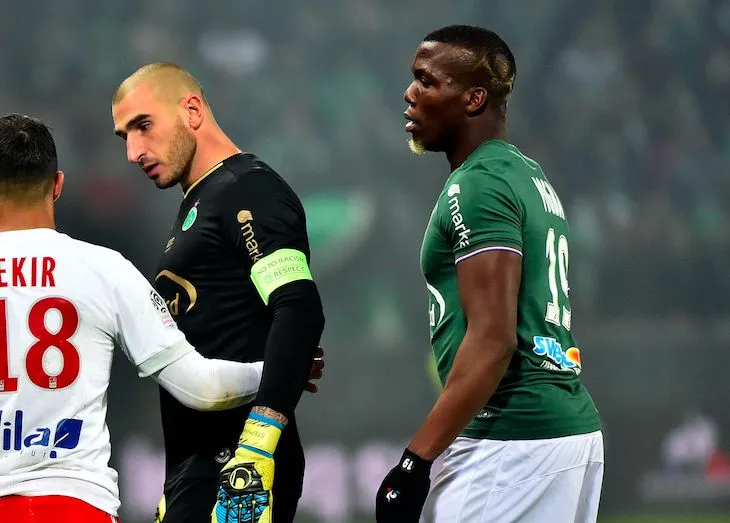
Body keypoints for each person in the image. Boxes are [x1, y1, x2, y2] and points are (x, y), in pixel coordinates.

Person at [0, 114, 323, 523]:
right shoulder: (104, 269)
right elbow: (202, 387)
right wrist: (278, 369)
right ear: (57, 185)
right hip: (75, 503)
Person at [375, 25, 604, 523]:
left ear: (474, 98)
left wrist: (415, 461)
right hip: (560, 431)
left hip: (512, 438)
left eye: (426, 81)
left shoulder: (478, 184)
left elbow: (494, 337)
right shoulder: (527, 174)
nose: (409, 94)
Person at [111, 63, 325, 523]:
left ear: (192, 111)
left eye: (143, 126)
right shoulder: (201, 200)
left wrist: (257, 446)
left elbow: (299, 307)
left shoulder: (247, 189)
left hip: (239, 468)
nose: (133, 151)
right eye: (124, 136)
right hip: (198, 469)